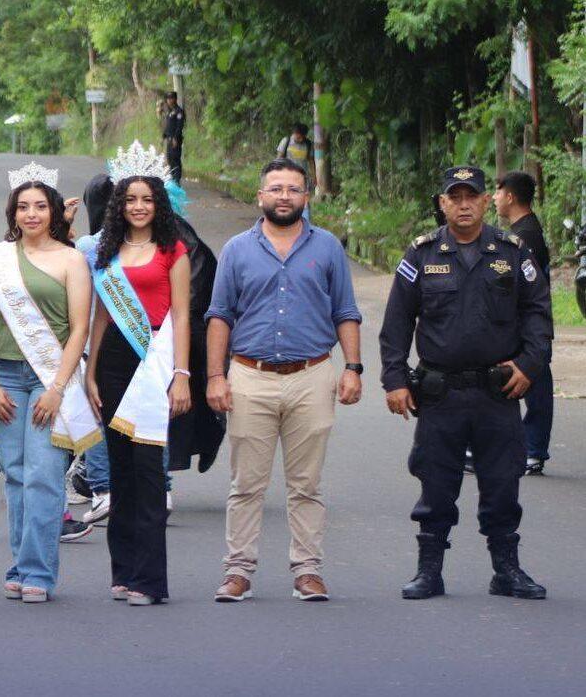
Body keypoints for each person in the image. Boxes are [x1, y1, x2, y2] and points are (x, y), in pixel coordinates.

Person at [381, 166, 550, 601]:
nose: (463, 204)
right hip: (440, 394)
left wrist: (530, 364)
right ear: (442, 203)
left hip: (498, 393)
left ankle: (506, 570)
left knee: (503, 484)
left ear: (483, 200)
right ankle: (429, 571)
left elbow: (537, 313)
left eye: (470, 195)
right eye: (453, 196)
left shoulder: (512, 252)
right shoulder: (421, 254)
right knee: (436, 485)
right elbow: (397, 322)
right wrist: (395, 379)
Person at [205, 159, 362, 603]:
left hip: (311, 375)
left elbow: (345, 311)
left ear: (306, 197)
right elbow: (219, 315)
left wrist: (352, 368)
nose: (284, 196)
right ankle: (238, 571)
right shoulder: (237, 249)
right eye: (275, 189)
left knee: (306, 483)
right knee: (246, 484)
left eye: (293, 189)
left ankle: (308, 570)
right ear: (260, 197)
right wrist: (216, 376)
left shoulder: (327, 247)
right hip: (249, 377)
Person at [0, 165, 93, 602]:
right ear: (13, 213)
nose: (31, 214)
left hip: (49, 377)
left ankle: (38, 572)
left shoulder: (72, 259)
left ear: (55, 211)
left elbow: (79, 328)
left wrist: (59, 386)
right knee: (17, 474)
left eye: (40, 206)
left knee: (44, 475)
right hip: (4, 375)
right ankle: (20, 564)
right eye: (23, 207)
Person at [84, 144, 190, 605]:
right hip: (112, 363)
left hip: (156, 360)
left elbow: (184, 316)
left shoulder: (173, 250)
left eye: (147, 199)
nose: (139, 207)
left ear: (159, 203)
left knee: (149, 473)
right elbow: (103, 315)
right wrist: (89, 371)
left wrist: (182, 374)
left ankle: (151, 580)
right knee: (120, 472)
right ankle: (124, 572)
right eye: (131, 200)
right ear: (119, 204)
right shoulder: (107, 248)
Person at [494, 170, 553, 474]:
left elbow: (531, 288)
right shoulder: (523, 230)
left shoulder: (524, 235)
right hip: (522, 324)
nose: (494, 198)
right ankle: (523, 447)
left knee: (536, 384)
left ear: (510, 196)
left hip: (529, 326)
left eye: (497, 192)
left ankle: (533, 449)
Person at [161, 92, 186, 184]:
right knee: (170, 159)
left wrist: (175, 138)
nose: (169, 100)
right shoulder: (170, 112)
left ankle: (177, 180)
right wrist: (163, 136)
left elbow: (179, 126)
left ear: (175, 99)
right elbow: (168, 126)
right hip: (169, 139)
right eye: (168, 98)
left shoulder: (179, 111)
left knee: (175, 159)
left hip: (176, 140)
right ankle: (172, 178)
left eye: (171, 98)